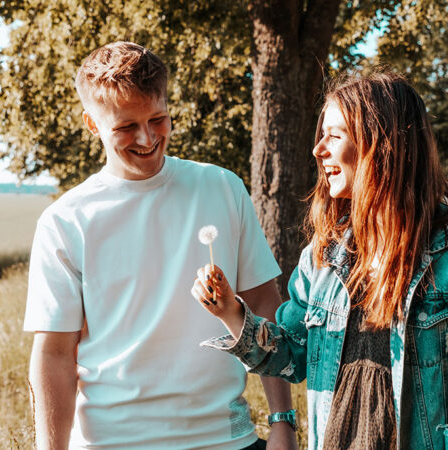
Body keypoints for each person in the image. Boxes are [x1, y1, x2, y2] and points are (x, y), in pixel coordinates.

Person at [192, 71, 448, 449]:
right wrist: (231, 311)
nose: (318, 149)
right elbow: (293, 355)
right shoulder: (324, 254)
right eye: (321, 135)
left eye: (335, 135)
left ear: (380, 144)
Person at [24, 41, 298, 449]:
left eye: (158, 119)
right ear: (91, 124)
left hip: (226, 440)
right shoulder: (65, 221)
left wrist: (282, 422)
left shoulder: (222, 187)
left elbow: (262, 302)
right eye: (125, 126)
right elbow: (54, 356)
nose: (147, 138)